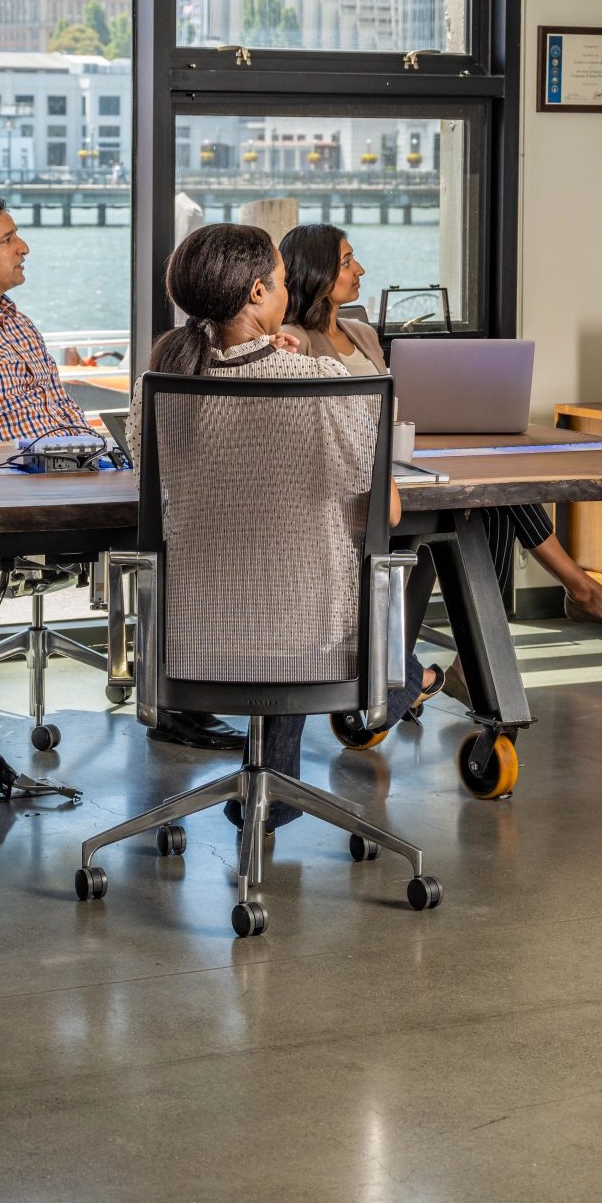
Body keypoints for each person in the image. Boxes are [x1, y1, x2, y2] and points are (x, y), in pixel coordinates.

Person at [0, 195, 246, 753]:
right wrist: (51, 457)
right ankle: (178, 700)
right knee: (171, 536)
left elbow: (61, 413)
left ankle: (189, 687)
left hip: (77, 478)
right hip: (24, 499)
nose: (23, 247)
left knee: (187, 516)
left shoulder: (16, 323)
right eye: (7, 238)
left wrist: (100, 448)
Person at [278, 222, 602, 637]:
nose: (361, 270)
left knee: (496, 498)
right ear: (317, 273)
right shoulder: (293, 341)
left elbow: (392, 404)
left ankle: (484, 655)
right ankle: (579, 591)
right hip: (357, 480)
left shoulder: (363, 333)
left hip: (398, 462)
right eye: (348, 263)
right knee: (498, 498)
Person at [144, 224, 394, 834]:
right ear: (258, 293)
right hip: (311, 644)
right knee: (343, 583)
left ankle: (271, 797)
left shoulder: (161, 388)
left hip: (188, 641)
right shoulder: (327, 385)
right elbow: (383, 512)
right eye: (282, 281)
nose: (286, 289)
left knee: (280, 582)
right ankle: (412, 683)